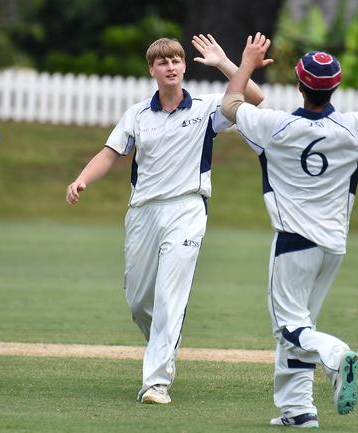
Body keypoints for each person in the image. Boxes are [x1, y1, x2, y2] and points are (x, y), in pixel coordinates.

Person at [221, 34, 358, 428]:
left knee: (290, 327)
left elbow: (231, 105)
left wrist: (244, 63)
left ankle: (335, 354)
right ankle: (298, 411)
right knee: (299, 326)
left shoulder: (275, 126)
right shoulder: (354, 128)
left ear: (299, 85)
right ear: (335, 88)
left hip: (293, 243)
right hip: (333, 245)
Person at [66, 35, 264, 404]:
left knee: (170, 297)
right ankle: (166, 342)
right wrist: (81, 179)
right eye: (162, 62)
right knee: (140, 302)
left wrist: (224, 62)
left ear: (184, 66)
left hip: (187, 208)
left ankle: (156, 383)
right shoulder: (137, 114)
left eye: (176, 60)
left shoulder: (206, 108)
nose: (171, 67)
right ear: (152, 70)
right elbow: (110, 153)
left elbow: (254, 98)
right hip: (143, 211)